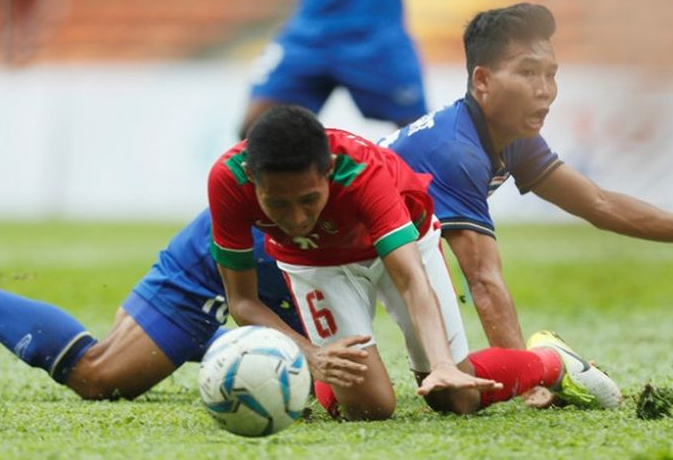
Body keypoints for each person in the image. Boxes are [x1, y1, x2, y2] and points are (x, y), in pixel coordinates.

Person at [208, 104, 621, 420]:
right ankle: (335, 379)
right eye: (276, 203)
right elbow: (243, 302)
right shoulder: (227, 180)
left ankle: (550, 362)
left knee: (455, 398)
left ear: (329, 170)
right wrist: (311, 355)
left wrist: (442, 365)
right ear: (251, 177)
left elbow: (410, 278)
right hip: (316, 264)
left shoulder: (363, 171)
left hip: (407, 247)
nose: (296, 218)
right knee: (367, 411)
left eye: (309, 199)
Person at [381, 2, 673, 357]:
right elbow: (483, 281)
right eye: (528, 72)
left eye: (551, 74)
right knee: (452, 396)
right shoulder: (459, 152)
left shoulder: (512, 135)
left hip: (383, 244)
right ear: (482, 80)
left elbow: (599, 204)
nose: (544, 90)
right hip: (334, 245)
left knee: (446, 392)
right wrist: (528, 378)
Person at [0, 209, 304, 400]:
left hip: (327, 256)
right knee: (99, 374)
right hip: (236, 244)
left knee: (332, 383)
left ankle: (206, 340)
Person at [238, 0, 427, 139]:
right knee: (253, 130)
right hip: (308, 31)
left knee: (419, 133)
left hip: (374, 33)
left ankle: (418, 189)